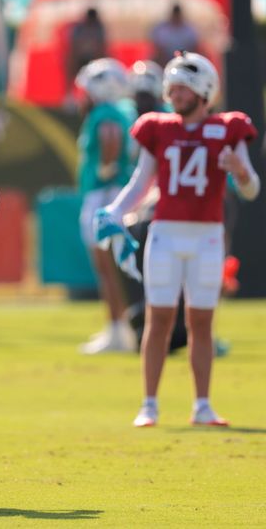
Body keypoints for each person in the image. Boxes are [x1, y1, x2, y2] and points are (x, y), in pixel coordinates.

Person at [96, 52, 260, 427]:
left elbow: (251, 190)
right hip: (166, 234)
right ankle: (149, 404)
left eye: (182, 88)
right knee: (159, 318)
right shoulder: (160, 128)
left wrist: (241, 172)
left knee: (202, 322)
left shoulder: (228, 129)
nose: (175, 94)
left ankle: (202, 405)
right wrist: (115, 212)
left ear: (204, 90)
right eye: (172, 88)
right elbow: (142, 181)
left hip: (207, 237)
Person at [74, 58, 138, 354]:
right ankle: (119, 327)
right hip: (114, 191)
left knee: (105, 265)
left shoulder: (104, 113)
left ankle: (117, 329)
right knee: (111, 265)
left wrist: (106, 165)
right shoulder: (121, 110)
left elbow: (110, 136)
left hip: (104, 193)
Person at [66, 7, 107, 104]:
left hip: (92, 59)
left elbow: (101, 46)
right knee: (74, 78)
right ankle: (70, 99)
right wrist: (73, 59)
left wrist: (98, 62)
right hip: (80, 58)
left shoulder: (99, 28)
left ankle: (89, 100)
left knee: (92, 81)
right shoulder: (79, 28)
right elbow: (74, 46)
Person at [150, 4, 199, 68]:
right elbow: (157, 46)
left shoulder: (189, 29)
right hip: (164, 59)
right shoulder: (162, 28)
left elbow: (193, 47)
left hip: (184, 58)